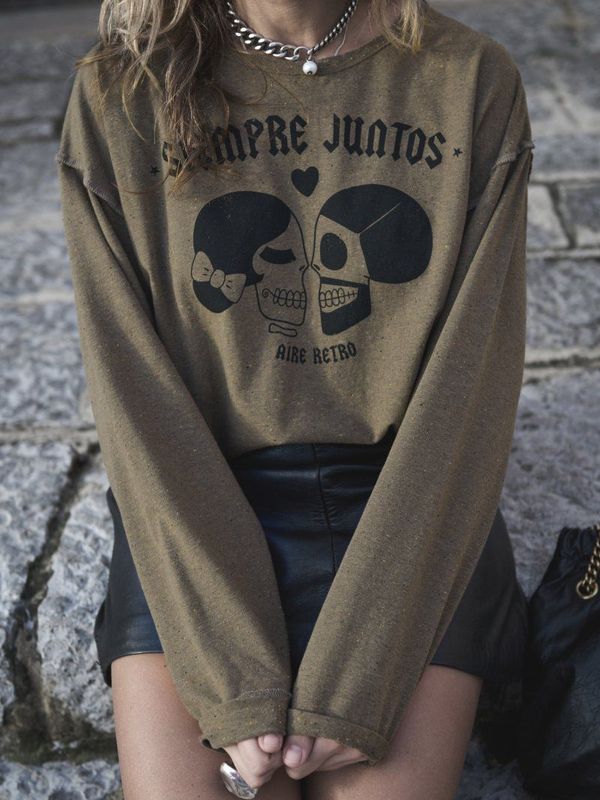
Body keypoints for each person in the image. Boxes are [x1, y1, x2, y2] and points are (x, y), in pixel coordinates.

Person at [56, 0, 534, 797]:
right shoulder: (122, 92)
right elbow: (136, 402)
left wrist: (366, 670)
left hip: (410, 517)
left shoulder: (471, 80)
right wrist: (229, 672)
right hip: (197, 517)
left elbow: (470, 391)